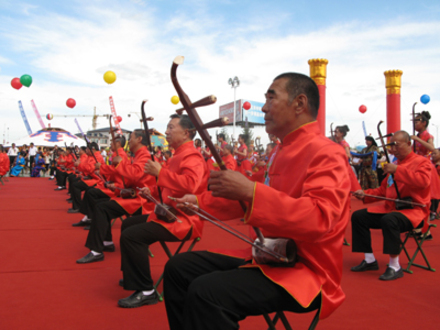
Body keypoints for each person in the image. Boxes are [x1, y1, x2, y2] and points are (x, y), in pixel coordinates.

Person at [163, 72, 352, 329]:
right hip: (268, 253)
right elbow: (249, 200)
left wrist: (251, 191)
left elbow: (320, 217)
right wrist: (198, 202)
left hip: (306, 268)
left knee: (207, 292)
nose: (263, 107)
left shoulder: (327, 152)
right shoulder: (280, 150)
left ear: (299, 103)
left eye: (271, 98)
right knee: (177, 268)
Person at [117, 114, 209, 308]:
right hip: (167, 213)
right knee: (127, 225)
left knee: (133, 236)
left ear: (186, 133)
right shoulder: (176, 155)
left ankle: (146, 290)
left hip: (184, 219)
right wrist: (150, 191)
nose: (166, 131)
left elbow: (191, 186)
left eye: (170, 127)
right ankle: (132, 276)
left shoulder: (192, 156)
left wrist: (160, 173)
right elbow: (167, 189)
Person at [351, 131, 431, 281]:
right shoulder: (394, 165)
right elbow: (382, 190)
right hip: (392, 209)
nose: (392, 149)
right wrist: (365, 194)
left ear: (409, 144)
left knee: (389, 220)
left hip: (413, 212)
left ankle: (395, 266)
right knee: (358, 216)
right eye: (390, 146)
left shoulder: (421, 162)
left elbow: (424, 182)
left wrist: (398, 171)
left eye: (396, 145)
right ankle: (369, 260)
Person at [76, 130, 154, 264]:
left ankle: (97, 250)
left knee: (100, 206)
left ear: (139, 139)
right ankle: (106, 242)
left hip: (141, 200)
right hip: (130, 194)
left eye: (131, 138)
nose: (129, 141)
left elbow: (133, 174)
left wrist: (113, 168)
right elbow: (130, 178)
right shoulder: (137, 155)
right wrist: (118, 186)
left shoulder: (144, 156)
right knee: (99, 204)